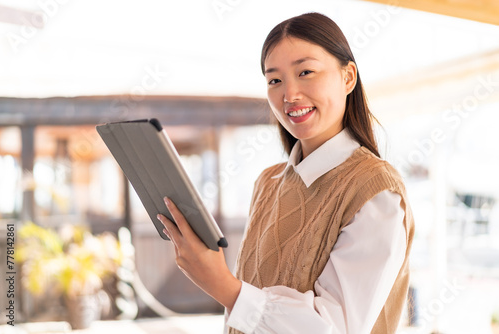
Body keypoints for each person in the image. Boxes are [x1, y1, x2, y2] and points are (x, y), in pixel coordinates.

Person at [157, 12, 415, 334]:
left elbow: (334, 328)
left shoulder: (375, 192)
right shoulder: (268, 182)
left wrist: (225, 287)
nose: (289, 95)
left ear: (348, 77)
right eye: (274, 80)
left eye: (306, 72)